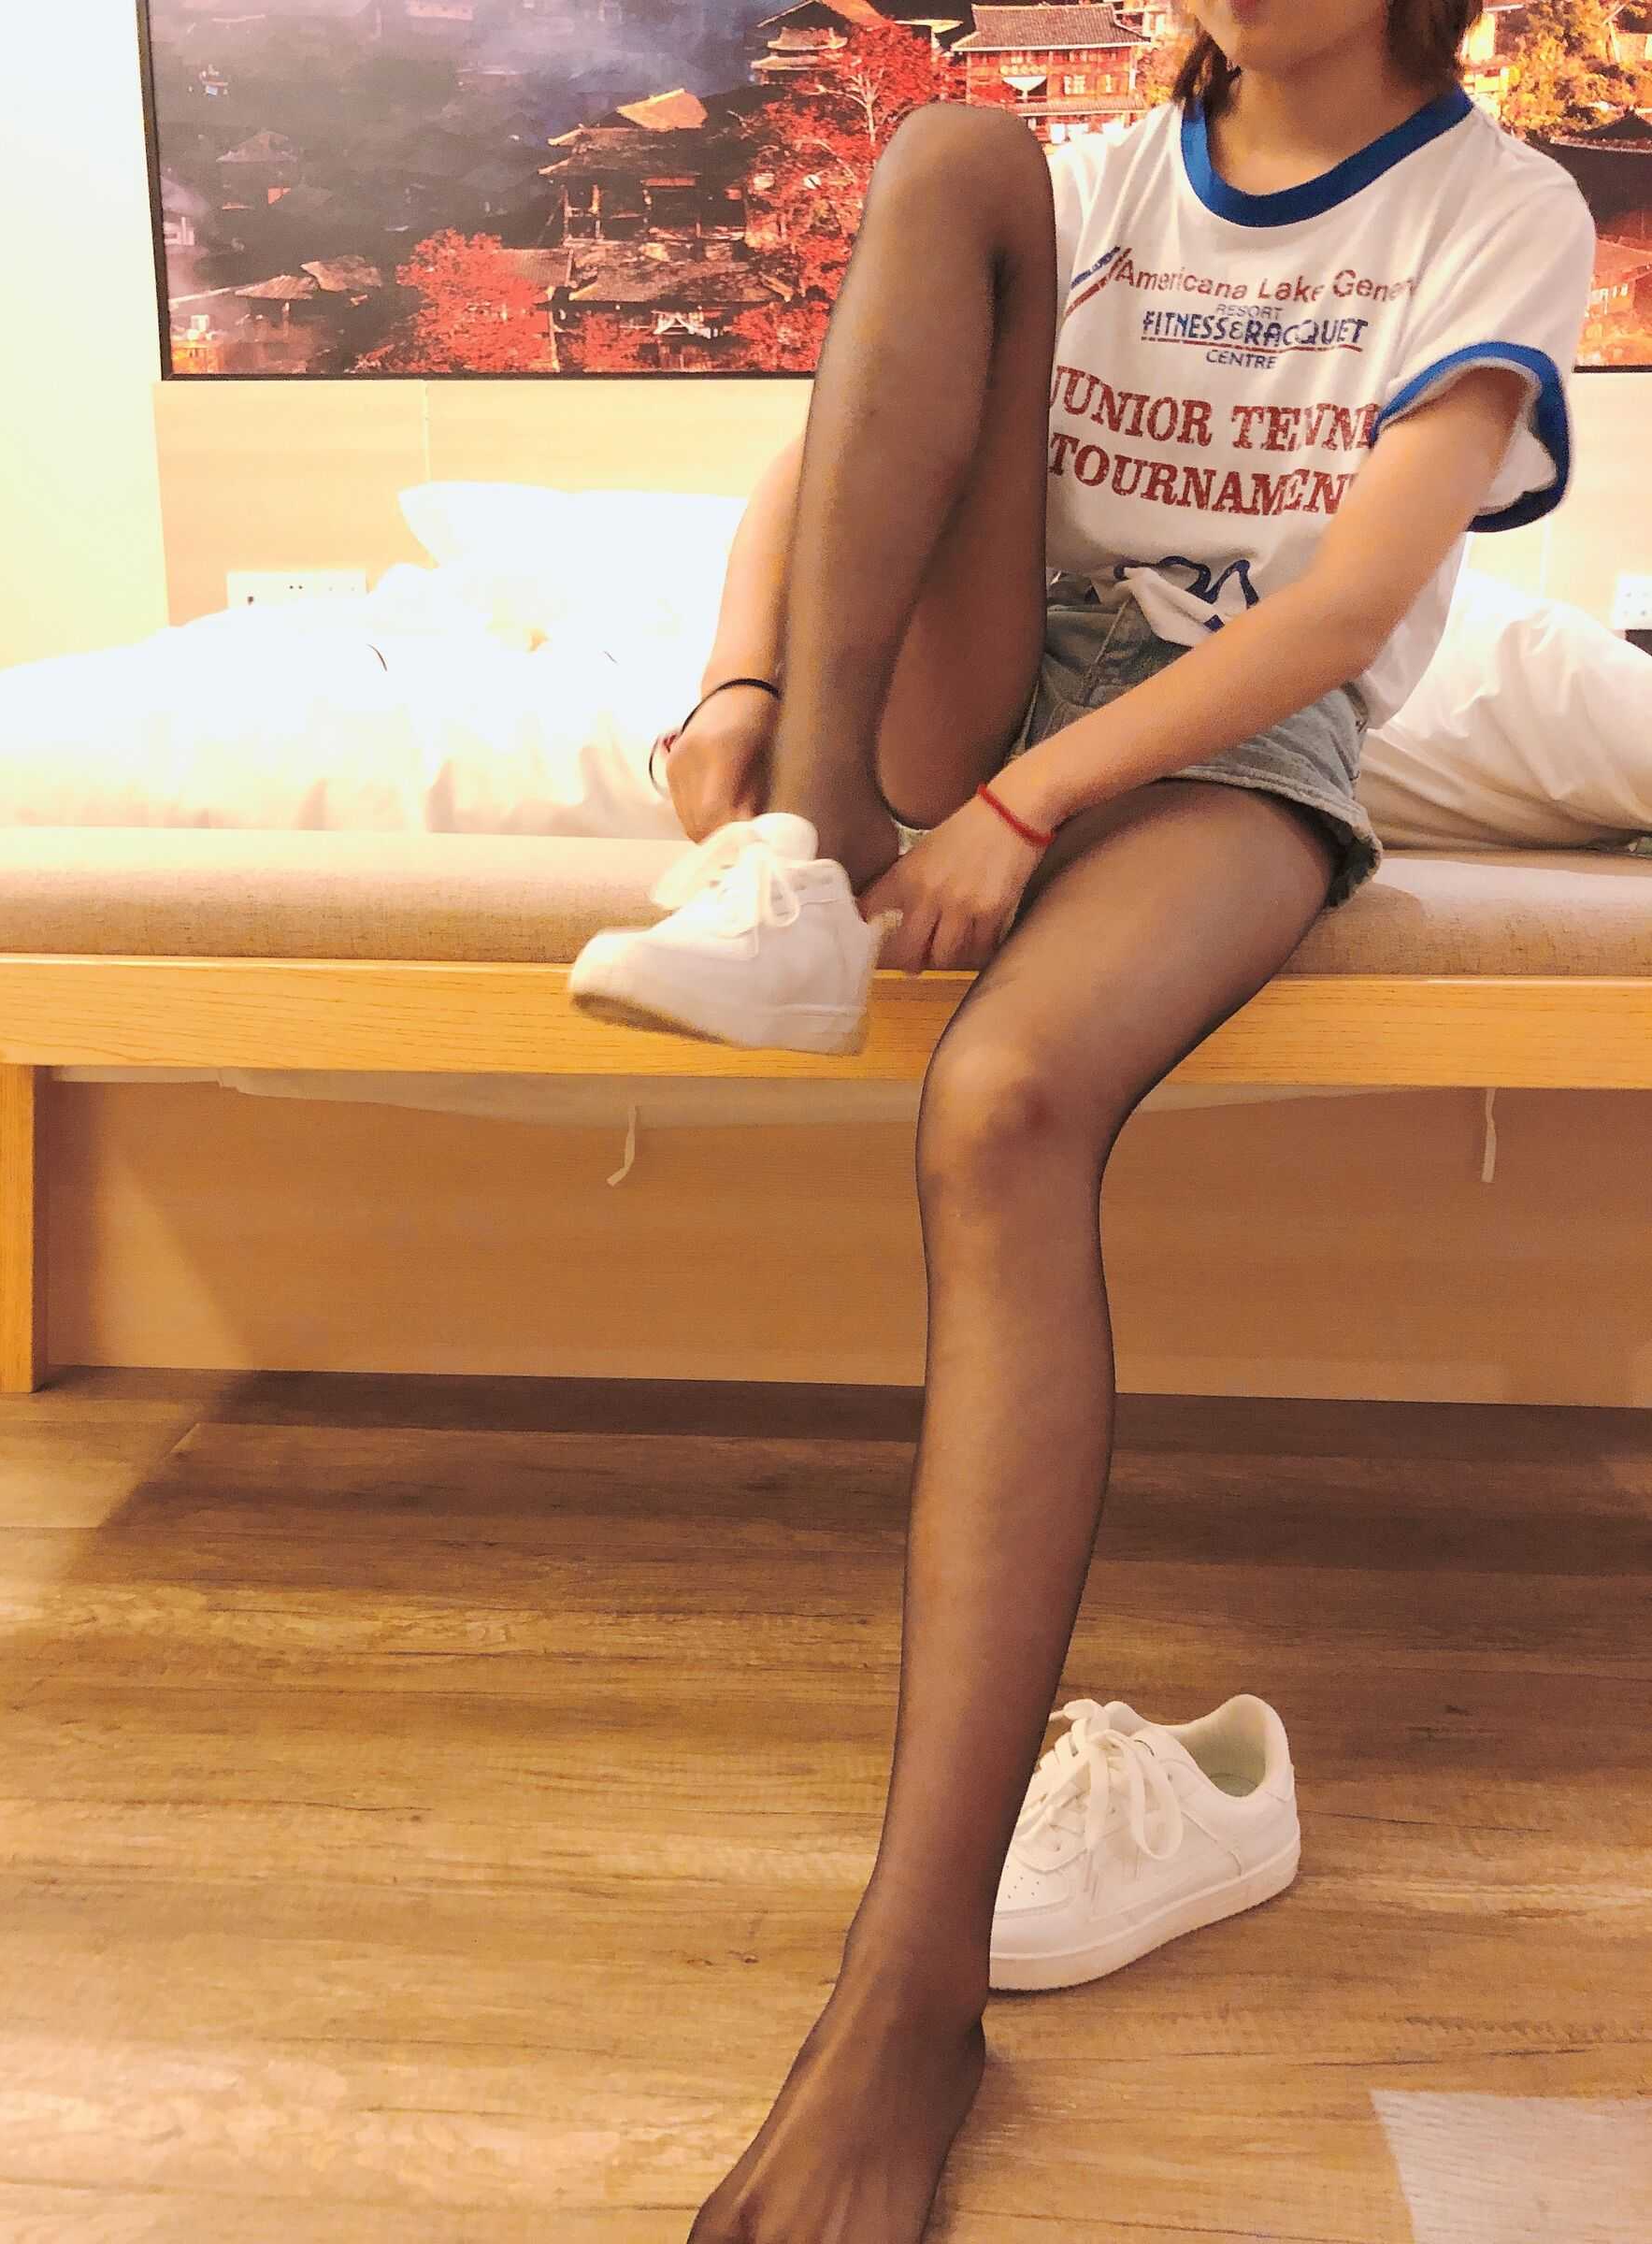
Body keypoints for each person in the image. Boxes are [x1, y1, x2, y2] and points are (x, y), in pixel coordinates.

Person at [572, 6, 1598, 2240]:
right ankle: (790, 868)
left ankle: (909, 1993)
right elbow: (822, 471)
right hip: (972, 674)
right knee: (949, 155)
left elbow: (1351, 606)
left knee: (1009, 1098)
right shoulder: (1082, 187)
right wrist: (743, 688)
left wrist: (1033, 805)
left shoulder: (1491, 207)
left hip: (1238, 738)